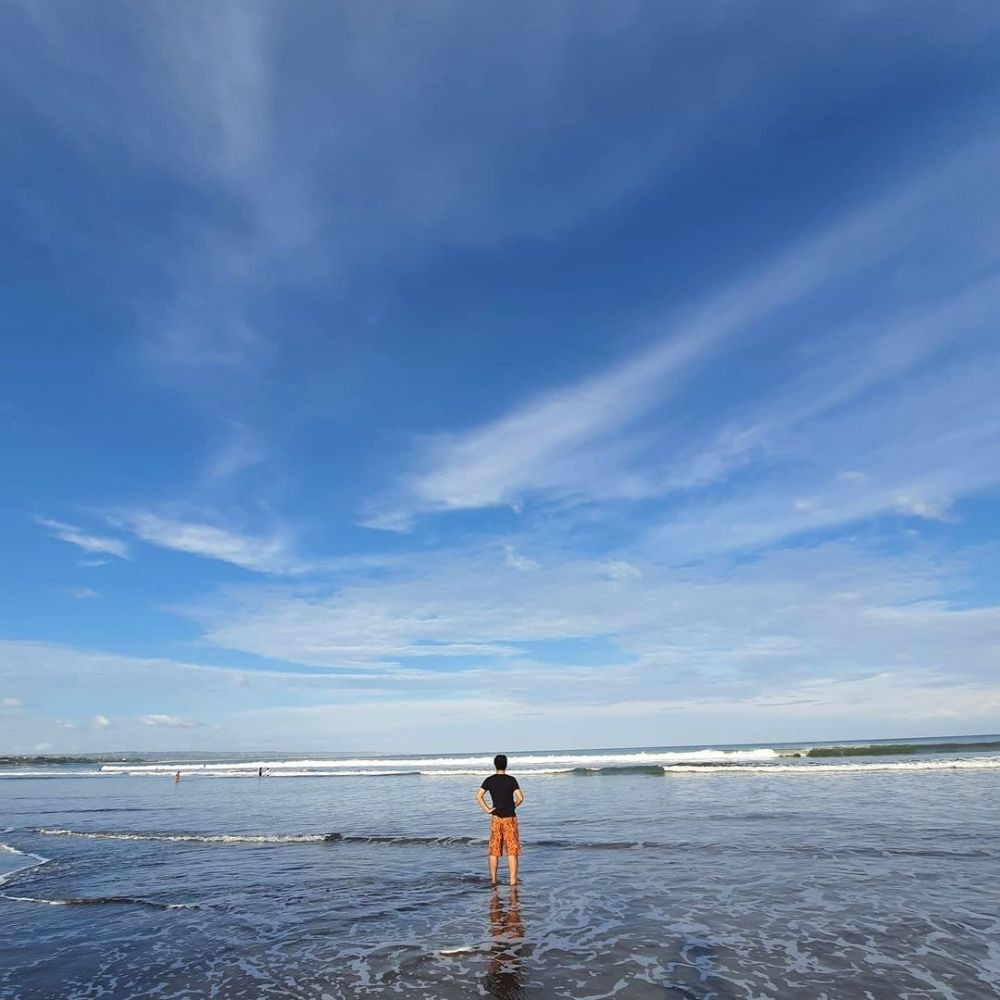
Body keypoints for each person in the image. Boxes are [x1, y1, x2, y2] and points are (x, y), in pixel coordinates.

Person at [476, 754, 523, 886]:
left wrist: (487, 809)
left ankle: (493, 880)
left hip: (496, 817)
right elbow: (520, 798)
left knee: (494, 850)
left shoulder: (489, 780)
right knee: (512, 850)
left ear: (495, 765)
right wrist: (513, 805)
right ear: (506, 764)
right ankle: (512, 881)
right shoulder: (511, 780)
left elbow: (478, 796)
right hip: (509, 817)